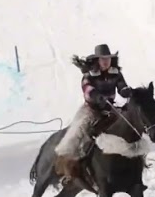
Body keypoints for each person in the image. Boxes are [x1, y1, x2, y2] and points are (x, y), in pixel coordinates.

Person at [54, 44, 132, 185]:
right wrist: (96, 96)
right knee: (77, 132)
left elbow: (122, 85)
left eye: (108, 58)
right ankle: (68, 168)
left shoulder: (116, 73)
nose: (106, 62)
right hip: (92, 109)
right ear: (97, 60)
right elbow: (87, 88)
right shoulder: (90, 74)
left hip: (110, 109)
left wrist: (125, 91)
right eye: (103, 59)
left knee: (129, 126)